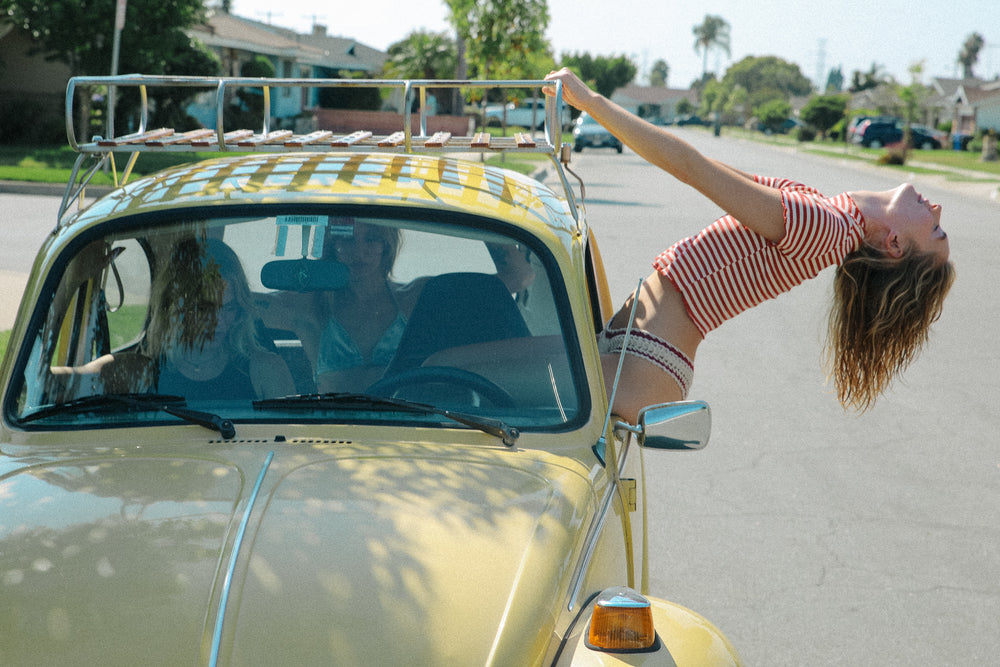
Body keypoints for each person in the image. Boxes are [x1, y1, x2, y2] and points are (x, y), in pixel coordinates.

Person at [543, 68, 955, 423]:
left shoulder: (825, 228)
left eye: (935, 230)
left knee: (483, 365)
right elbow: (703, 163)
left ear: (896, 244)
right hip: (642, 349)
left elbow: (691, 169)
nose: (936, 208)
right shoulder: (826, 214)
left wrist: (591, 102)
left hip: (646, 362)